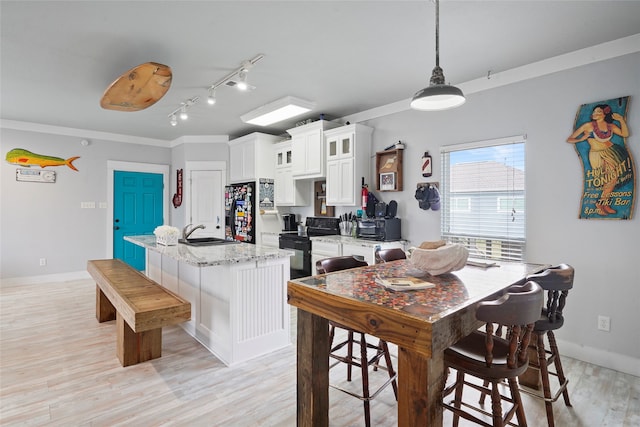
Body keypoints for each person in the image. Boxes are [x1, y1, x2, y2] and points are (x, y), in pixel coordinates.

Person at [567, 104, 630, 215]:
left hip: (611, 151)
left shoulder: (610, 126)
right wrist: (582, 138)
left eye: (598, 112)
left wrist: (621, 120)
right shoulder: (588, 126)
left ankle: (603, 204)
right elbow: (570, 139)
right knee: (607, 179)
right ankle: (602, 203)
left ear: (605, 114)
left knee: (613, 179)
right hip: (596, 154)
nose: (595, 114)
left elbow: (625, 133)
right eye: (594, 112)